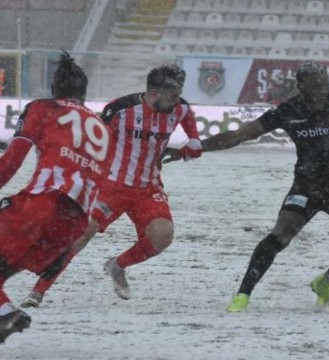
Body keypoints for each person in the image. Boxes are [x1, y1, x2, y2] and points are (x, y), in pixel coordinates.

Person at [163, 62, 329, 312]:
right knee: (280, 235)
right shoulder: (288, 111)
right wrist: (191, 149)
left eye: (325, 83)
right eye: (316, 85)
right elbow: (239, 135)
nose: (322, 90)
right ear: (301, 86)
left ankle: (325, 281)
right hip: (307, 186)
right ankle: (243, 295)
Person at [19, 64, 202, 307]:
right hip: (109, 187)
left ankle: (117, 266)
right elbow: (94, 140)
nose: (178, 99)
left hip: (148, 188)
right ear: (156, 92)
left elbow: (194, 144)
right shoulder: (120, 108)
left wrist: (187, 150)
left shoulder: (181, 109)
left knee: (162, 237)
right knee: (81, 234)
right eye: (173, 94)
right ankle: (37, 292)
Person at [0, 51, 111, 347]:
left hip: (40, 206)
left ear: (54, 88)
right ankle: (7, 314)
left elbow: (11, 161)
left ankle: (7, 313)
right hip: (73, 225)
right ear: (83, 93)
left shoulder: (44, 108)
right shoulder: (104, 130)